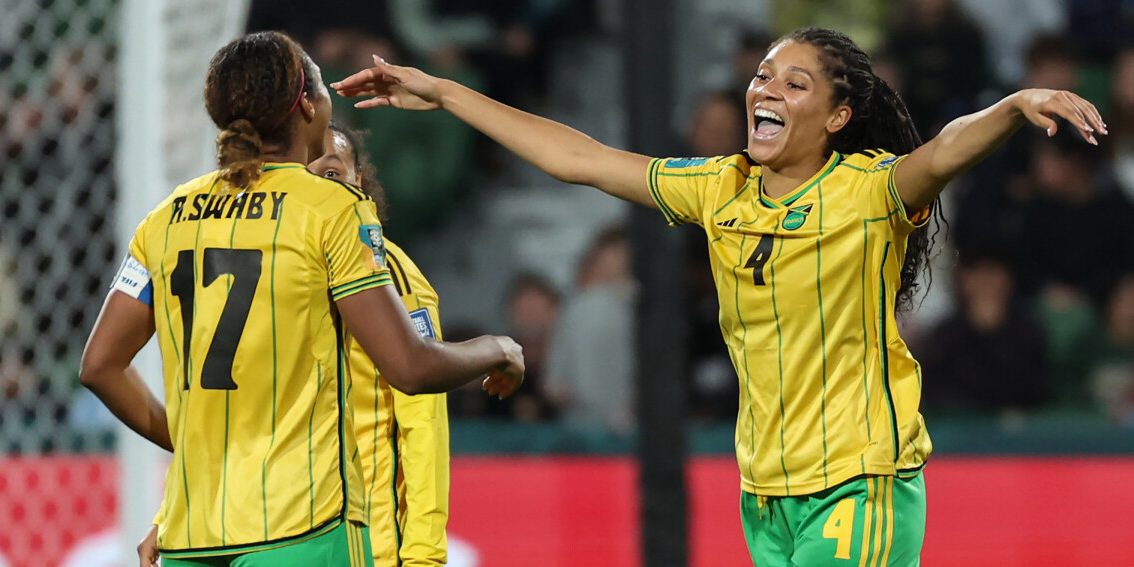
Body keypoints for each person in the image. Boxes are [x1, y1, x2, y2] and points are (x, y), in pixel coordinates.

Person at [333, 26, 1104, 565]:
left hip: (857, 485)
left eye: (795, 83)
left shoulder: (868, 193)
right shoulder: (720, 188)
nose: (766, 89)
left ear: (838, 117)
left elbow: (942, 151)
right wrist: (444, 92)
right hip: (765, 492)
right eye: (764, 74)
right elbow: (580, 158)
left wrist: (1008, 110)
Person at [80, 31, 523, 567]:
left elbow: (101, 365)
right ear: (309, 105)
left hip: (190, 535)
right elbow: (410, 369)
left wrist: (200, 449)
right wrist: (497, 347)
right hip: (305, 526)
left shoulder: (165, 218)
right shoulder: (331, 210)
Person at [136, 122, 456, 566]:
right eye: (304, 176)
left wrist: (424, 556)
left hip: (364, 537)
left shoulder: (391, 279)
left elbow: (423, 425)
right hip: (274, 526)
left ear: (357, 181)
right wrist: (167, 513)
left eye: (330, 174)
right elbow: (235, 412)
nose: (316, 189)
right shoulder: (279, 279)